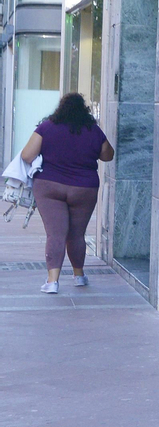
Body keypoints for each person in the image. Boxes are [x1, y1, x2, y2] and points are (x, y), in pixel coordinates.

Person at [19, 92, 113, 294]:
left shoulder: (46, 128)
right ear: (84, 111)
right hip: (84, 188)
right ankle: (79, 276)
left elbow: (27, 155)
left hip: (49, 186)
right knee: (77, 234)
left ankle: (52, 281)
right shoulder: (93, 131)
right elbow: (108, 155)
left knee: (55, 234)